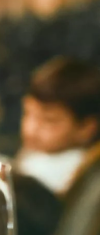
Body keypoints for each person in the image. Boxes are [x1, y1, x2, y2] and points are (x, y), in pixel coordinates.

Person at [15, 57, 100, 194]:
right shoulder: (38, 152)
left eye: (49, 121)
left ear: (86, 128)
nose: (31, 129)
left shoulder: (73, 172)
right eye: (28, 113)